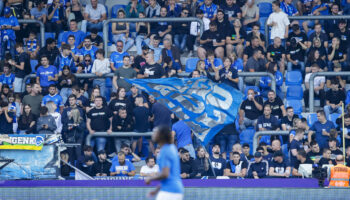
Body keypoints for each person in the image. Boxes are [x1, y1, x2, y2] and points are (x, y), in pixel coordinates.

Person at [145, 126, 184, 200]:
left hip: (169, 192)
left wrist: (150, 178)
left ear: (161, 135)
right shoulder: (171, 148)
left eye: (155, 132)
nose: (152, 134)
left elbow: (165, 174)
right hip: (174, 190)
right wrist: (156, 191)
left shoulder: (165, 151)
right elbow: (169, 176)